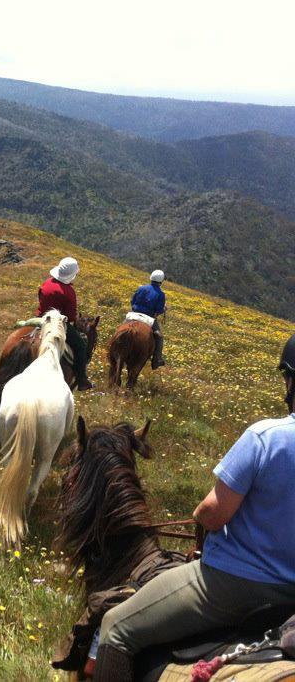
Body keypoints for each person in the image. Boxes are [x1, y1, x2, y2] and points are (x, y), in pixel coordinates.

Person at [92, 334, 295, 682]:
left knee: (115, 629)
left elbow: (215, 514)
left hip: (231, 586)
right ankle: (155, 355)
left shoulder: (267, 437)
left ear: (290, 380)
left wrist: (200, 513)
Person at [37, 257, 93, 390]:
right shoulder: (68, 291)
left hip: (41, 320)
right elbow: (71, 316)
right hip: (58, 324)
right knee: (80, 346)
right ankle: (81, 379)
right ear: (72, 275)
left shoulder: (46, 283)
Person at [131, 270, 167, 369]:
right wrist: (163, 309)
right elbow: (158, 310)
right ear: (161, 281)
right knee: (159, 337)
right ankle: (156, 360)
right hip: (148, 318)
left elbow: (132, 301)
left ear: (151, 278)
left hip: (133, 315)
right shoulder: (161, 294)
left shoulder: (141, 288)